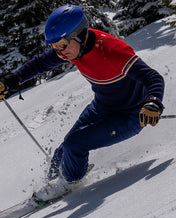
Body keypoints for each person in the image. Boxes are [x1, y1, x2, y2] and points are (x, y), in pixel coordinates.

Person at [0, 4, 164, 200]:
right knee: (61, 154)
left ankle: (67, 184)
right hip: (102, 107)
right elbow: (40, 63)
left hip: (131, 115)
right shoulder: (71, 48)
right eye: (53, 46)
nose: (58, 52)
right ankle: (56, 181)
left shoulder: (111, 51)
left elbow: (153, 78)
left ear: (78, 35)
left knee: (74, 145)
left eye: (60, 45)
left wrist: (153, 103)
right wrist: (10, 81)